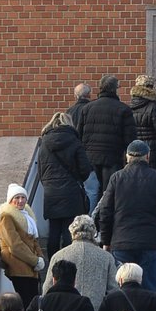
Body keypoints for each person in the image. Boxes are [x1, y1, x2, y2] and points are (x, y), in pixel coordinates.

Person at [95, 139, 156, 294]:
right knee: (150, 289)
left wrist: (106, 240)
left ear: (127, 157)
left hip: (121, 241)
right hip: (150, 240)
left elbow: (105, 211)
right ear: (148, 156)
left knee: (122, 289)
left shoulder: (116, 178)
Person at [37, 110, 92, 260]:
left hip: (51, 192)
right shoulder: (74, 141)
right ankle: (70, 262)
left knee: (54, 231)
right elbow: (85, 168)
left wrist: (49, 184)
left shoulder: (44, 143)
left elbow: (40, 170)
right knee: (69, 230)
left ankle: (53, 263)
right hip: (71, 191)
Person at [48, 214, 118, 311]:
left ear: (72, 231)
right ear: (93, 232)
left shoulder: (59, 256)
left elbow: (48, 288)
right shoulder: (106, 257)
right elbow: (114, 290)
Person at [81, 74, 136, 196]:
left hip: (90, 158)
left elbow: (79, 134)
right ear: (115, 89)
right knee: (110, 192)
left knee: (91, 193)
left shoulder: (87, 108)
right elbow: (130, 139)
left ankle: (91, 215)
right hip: (112, 157)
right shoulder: (124, 109)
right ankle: (106, 215)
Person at [0, 187, 44, 310]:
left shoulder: (27, 217)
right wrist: (35, 260)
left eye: (23, 197)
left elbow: (34, 241)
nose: (20, 200)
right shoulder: (6, 217)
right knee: (26, 306)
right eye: (17, 197)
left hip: (31, 269)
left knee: (33, 305)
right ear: (10, 200)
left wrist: (40, 257)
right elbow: (15, 245)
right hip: (18, 268)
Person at [129, 74, 156, 176]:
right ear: (151, 88)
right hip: (154, 150)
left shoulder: (130, 106)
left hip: (135, 147)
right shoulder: (155, 106)